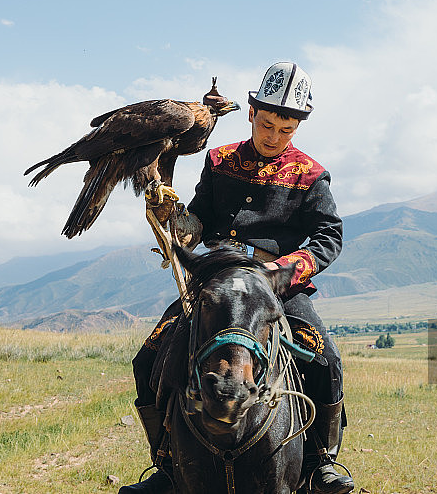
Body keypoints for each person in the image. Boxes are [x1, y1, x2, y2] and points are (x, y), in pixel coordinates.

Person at [120, 62, 353, 494]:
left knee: (326, 358)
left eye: (286, 130)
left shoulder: (312, 175)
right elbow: (199, 220)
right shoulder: (218, 159)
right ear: (251, 113)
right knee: (150, 355)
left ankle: (323, 461)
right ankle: (166, 465)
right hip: (217, 278)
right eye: (267, 124)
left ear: (297, 127)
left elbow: (329, 236)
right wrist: (174, 217)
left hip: (276, 285)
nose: (274, 136)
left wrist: (285, 271)